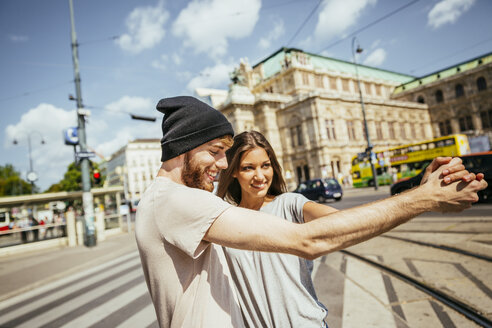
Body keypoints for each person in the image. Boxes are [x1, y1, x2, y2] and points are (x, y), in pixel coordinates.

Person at [135, 96, 486, 328]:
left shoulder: (172, 201)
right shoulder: (178, 200)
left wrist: (416, 192)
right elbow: (308, 241)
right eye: (214, 151)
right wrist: (422, 198)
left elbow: (333, 226)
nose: (222, 164)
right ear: (184, 149)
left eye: (227, 154)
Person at [217, 131, 337, 327]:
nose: (260, 176)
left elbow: (339, 221)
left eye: (265, 165)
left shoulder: (290, 204)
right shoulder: (227, 219)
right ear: (234, 172)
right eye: (248, 168)